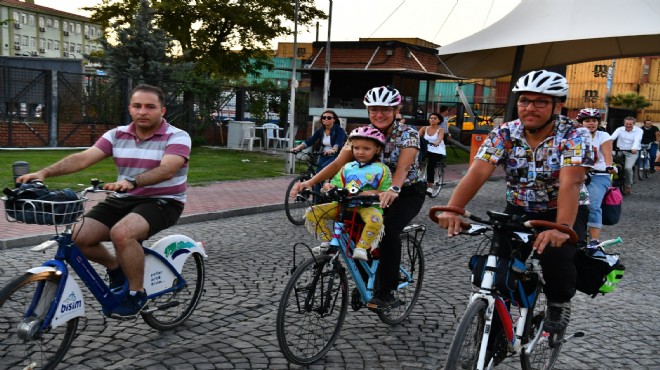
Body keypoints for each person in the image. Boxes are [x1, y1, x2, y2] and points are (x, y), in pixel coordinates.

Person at [434, 70, 594, 334]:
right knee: (498, 265)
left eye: (540, 102)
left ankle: (558, 302)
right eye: (524, 101)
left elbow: (571, 183)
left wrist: (561, 227)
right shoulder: (505, 132)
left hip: (562, 208)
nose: (530, 108)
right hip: (519, 207)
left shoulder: (574, 135)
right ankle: (497, 320)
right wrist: (453, 209)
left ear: (558, 105)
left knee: (556, 256)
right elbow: (477, 171)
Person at [17, 84, 191, 318]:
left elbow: (168, 169)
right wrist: (44, 173)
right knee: (77, 237)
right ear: (130, 108)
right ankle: (116, 268)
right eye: (137, 106)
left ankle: (135, 294)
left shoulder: (177, 136)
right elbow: (83, 158)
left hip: (163, 201)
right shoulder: (117, 134)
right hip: (123, 198)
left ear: (163, 110)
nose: (143, 111)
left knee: (123, 233)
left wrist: (133, 181)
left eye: (150, 107)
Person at [291, 85, 425, 309]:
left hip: (406, 191)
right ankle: (366, 280)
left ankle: (386, 290)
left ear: (396, 110)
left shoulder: (407, 134)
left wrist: (393, 190)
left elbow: (402, 169)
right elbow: (337, 163)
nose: (379, 115)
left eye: (385, 110)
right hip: (366, 193)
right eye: (374, 110)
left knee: (388, 230)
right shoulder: (360, 134)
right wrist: (309, 182)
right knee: (351, 229)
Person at [305, 127, 391, 261]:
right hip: (344, 204)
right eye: (356, 148)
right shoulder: (347, 167)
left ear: (377, 150)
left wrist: (370, 192)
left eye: (366, 149)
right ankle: (327, 241)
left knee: (375, 220)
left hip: (368, 207)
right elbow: (337, 183)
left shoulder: (382, 169)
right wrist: (329, 186)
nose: (360, 152)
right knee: (312, 212)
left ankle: (362, 247)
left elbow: (386, 190)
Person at [576, 108, 616, 246]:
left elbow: (607, 154)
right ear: (581, 123)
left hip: (599, 174)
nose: (591, 123)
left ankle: (594, 241)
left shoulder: (603, 136)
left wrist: (609, 166)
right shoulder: (575, 135)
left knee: (593, 206)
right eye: (587, 121)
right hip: (577, 174)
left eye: (594, 121)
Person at [610, 116, 643, 194]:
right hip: (620, 150)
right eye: (627, 124)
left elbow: (637, 140)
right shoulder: (619, 129)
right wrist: (607, 145)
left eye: (630, 124)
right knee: (609, 161)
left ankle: (628, 185)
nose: (628, 126)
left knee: (628, 168)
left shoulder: (639, 131)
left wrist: (634, 148)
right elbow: (612, 138)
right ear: (624, 123)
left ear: (634, 124)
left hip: (632, 152)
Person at [418, 112, 446, 195]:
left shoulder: (440, 130)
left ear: (439, 121)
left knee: (431, 166)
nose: (432, 120)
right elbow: (417, 136)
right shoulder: (424, 128)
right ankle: (417, 176)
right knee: (416, 161)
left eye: (435, 118)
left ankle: (430, 186)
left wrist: (437, 142)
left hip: (437, 150)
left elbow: (440, 138)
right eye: (431, 118)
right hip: (426, 149)